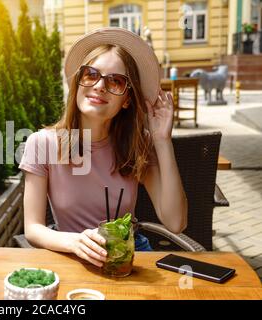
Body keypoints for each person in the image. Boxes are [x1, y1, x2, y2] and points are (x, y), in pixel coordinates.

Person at [18, 27, 188, 267]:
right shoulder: (42, 143)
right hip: (70, 255)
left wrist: (162, 141)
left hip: (129, 256)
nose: (99, 86)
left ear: (127, 99)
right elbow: (33, 228)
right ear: (78, 83)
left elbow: (175, 222)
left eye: (115, 81)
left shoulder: (137, 144)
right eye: (91, 74)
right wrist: (75, 243)